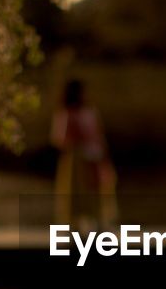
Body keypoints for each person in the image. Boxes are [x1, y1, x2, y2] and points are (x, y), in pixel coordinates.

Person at [50, 79, 118, 230]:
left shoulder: (90, 112)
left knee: (97, 191)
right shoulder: (66, 113)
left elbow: (98, 134)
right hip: (77, 159)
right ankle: (76, 227)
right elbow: (59, 139)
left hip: (94, 156)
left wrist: (101, 153)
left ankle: (100, 225)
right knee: (77, 195)